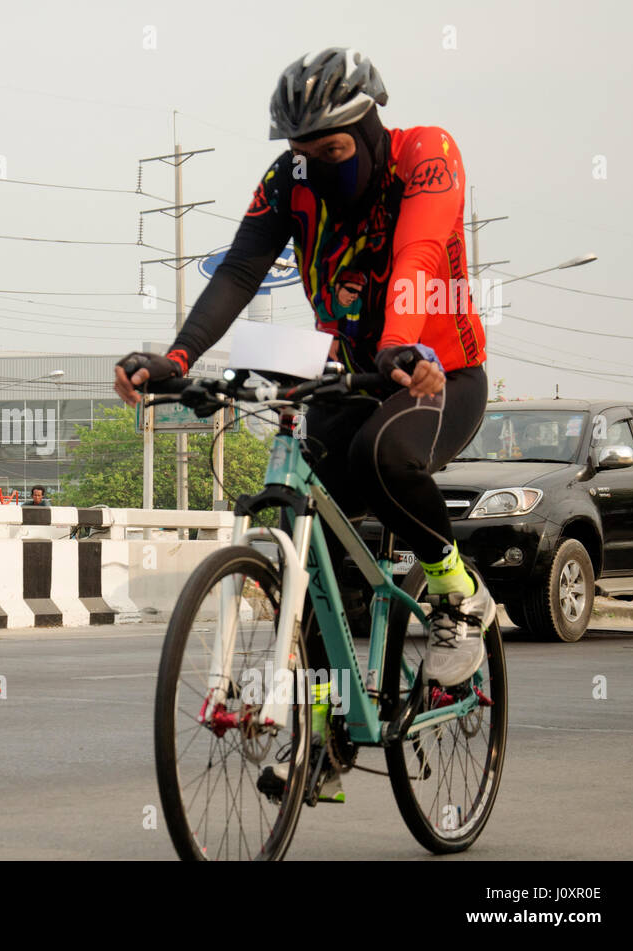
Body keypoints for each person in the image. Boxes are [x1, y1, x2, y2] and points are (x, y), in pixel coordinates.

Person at [113, 48, 492, 692]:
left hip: (436, 374)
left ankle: (459, 595)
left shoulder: (426, 155)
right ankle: (324, 723)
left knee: (381, 456)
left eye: (334, 152)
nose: (316, 165)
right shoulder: (289, 178)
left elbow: (417, 250)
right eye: (303, 150)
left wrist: (400, 344)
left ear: (371, 127)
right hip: (344, 375)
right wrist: (176, 358)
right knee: (304, 538)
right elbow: (239, 270)